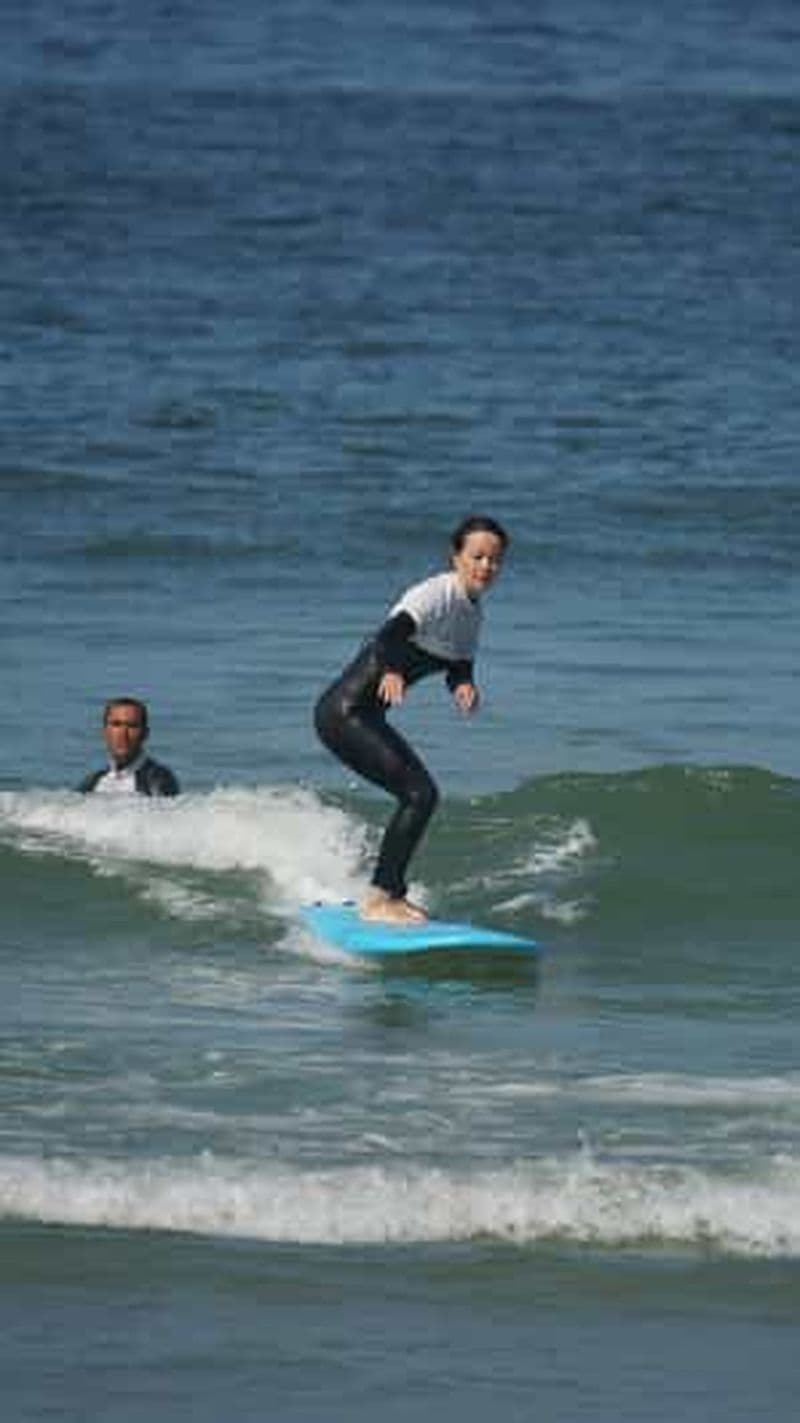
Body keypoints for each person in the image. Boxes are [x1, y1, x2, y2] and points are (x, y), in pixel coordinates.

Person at [314, 514, 509, 925]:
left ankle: (388, 892)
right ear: (456, 557)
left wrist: (463, 685)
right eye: (477, 556)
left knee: (419, 796)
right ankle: (381, 898)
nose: (486, 566)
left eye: (494, 560)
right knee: (420, 795)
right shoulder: (435, 594)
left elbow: (459, 663)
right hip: (342, 714)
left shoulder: (472, 614)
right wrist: (390, 670)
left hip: (366, 717)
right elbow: (386, 636)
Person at [78, 697, 180, 797]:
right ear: (104, 732)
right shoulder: (92, 782)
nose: (123, 734)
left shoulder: (158, 780)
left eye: (132, 726)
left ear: (145, 734)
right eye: (116, 724)